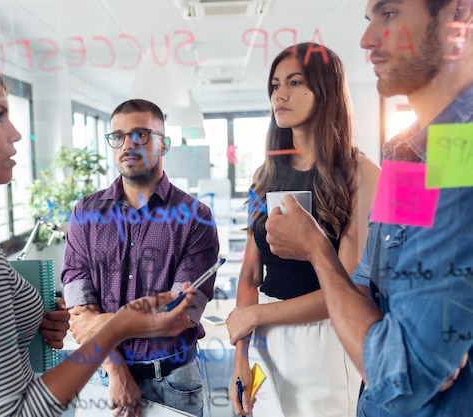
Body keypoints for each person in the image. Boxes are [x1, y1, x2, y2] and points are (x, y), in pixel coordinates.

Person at [0, 52, 198, 417]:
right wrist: (119, 326)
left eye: (141, 135)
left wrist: (28, 318)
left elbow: (180, 314)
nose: (16, 133)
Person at [264, 0, 473, 416]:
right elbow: (368, 284)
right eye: (369, 19)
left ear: (459, 14)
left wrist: (318, 250)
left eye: (390, 14)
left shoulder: (461, 152)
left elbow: (401, 376)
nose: (367, 39)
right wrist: (394, 331)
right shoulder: (408, 155)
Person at [225, 42, 381, 416]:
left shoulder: (361, 174)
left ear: (324, 90)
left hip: (326, 339)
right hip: (263, 341)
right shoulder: (263, 177)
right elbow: (250, 273)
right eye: (276, 85)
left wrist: (257, 315)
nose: (281, 94)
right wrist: (240, 357)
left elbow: (346, 289)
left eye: (295, 83)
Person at [61, 98, 219, 417]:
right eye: (117, 136)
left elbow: (181, 316)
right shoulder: (85, 213)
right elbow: (80, 311)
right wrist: (117, 368)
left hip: (174, 382)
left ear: (164, 144)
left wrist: (105, 323)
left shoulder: (195, 218)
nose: (127, 144)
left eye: (141, 134)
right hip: (103, 375)